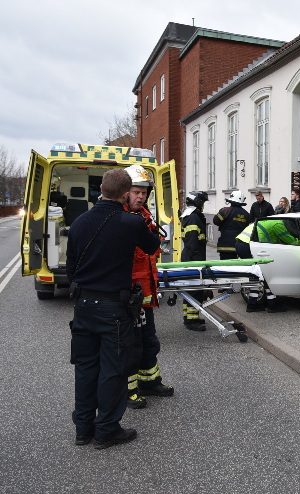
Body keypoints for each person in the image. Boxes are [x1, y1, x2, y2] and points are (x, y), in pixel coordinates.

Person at [67, 168, 160, 449]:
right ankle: (106, 429)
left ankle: (83, 429)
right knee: (113, 369)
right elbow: (153, 245)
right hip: (113, 309)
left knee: (85, 368)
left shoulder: (80, 222)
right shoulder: (129, 223)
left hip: (83, 306)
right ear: (124, 194)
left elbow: (71, 269)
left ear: (100, 190)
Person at [122, 165, 175, 410]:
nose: (140, 196)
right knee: (128, 344)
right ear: (124, 193)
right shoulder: (119, 220)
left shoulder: (144, 217)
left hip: (145, 293)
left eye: (144, 192)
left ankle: (150, 381)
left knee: (148, 340)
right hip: (128, 296)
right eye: (136, 192)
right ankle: (127, 389)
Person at [235, 221, 285, 312]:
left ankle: (253, 304)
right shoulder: (278, 224)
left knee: (257, 275)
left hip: (240, 243)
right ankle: (271, 304)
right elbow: (288, 239)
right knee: (264, 273)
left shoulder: (265, 221)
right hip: (248, 245)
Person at [181, 191, 209, 331]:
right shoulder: (193, 218)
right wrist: (195, 263)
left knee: (191, 289)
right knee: (194, 289)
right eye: (202, 202)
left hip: (191, 256)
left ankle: (190, 317)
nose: (203, 205)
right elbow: (192, 241)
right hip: (194, 258)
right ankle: (192, 321)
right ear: (197, 202)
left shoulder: (190, 215)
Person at [214, 190, 251, 260]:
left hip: (225, 247)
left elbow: (216, 221)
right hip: (240, 247)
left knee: (225, 269)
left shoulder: (225, 211)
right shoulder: (246, 214)